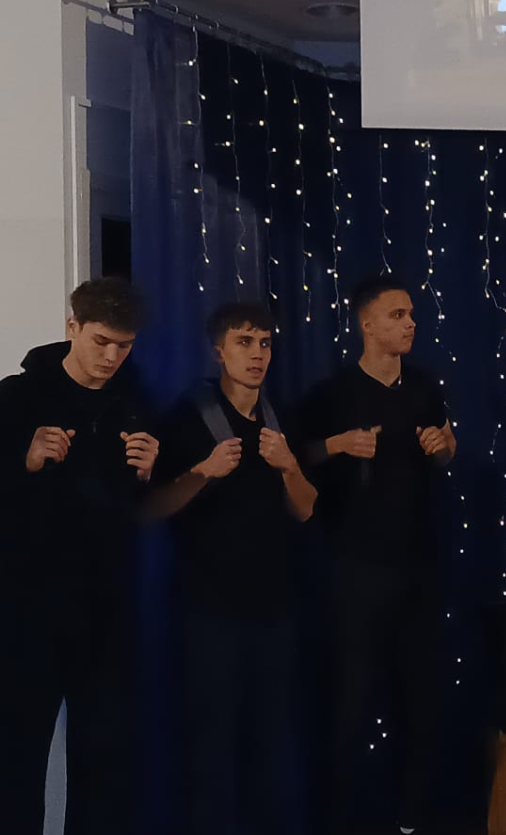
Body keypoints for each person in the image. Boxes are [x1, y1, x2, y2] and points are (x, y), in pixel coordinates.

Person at [0, 277, 161, 835]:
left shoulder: (136, 402)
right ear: (73, 327)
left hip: (107, 610)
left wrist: (150, 472)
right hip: (27, 606)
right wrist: (22, 459)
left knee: (103, 767)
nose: (112, 357)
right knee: (15, 765)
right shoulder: (17, 396)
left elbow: (141, 507)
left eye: (124, 345)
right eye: (101, 341)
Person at [147, 302, 316, 835]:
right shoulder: (187, 415)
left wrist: (290, 466)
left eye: (265, 343)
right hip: (208, 609)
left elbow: (306, 509)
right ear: (219, 351)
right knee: (211, 746)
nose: (257, 354)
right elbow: (152, 508)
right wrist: (203, 471)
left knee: (273, 741)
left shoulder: (281, 416)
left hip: (275, 608)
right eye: (244, 342)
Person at [301, 274, 457, 835]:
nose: (410, 323)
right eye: (397, 315)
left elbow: (448, 443)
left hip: (419, 565)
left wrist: (444, 445)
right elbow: (296, 457)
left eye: (411, 314)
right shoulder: (334, 393)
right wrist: (338, 444)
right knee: (351, 701)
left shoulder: (424, 386)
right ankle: (342, 819)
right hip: (356, 566)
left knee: (422, 700)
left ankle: (411, 820)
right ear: (367, 324)